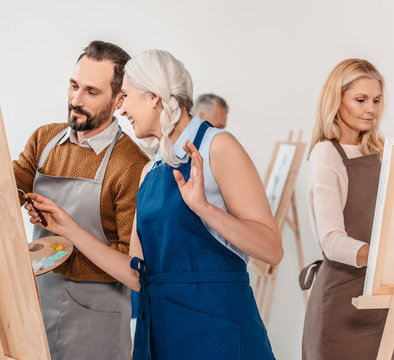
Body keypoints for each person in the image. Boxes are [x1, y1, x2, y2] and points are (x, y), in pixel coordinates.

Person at [25, 49, 282, 360]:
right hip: (160, 332)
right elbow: (136, 274)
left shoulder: (219, 147)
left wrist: (204, 208)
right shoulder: (151, 170)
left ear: (154, 99)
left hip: (216, 330)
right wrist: (69, 228)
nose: (120, 107)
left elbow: (271, 249)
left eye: (125, 96)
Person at [13, 40, 149, 360]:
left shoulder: (131, 165)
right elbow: (4, 191)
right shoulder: (44, 140)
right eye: (74, 85)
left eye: (91, 91)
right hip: (37, 303)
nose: (76, 100)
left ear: (119, 100)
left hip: (96, 317)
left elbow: (135, 266)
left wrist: (68, 236)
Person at [299, 59, 394, 359]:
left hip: (385, 299)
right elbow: (332, 241)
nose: (371, 109)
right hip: (343, 303)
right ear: (336, 101)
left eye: (376, 100)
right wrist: (385, 259)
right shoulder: (327, 153)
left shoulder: (379, 151)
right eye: (360, 100)